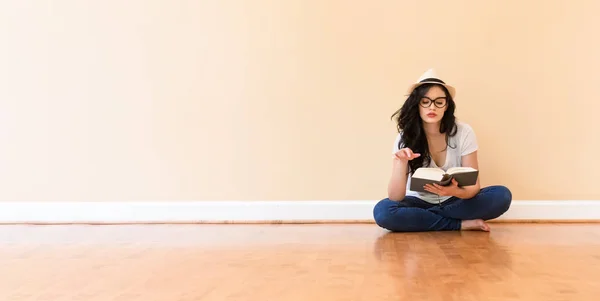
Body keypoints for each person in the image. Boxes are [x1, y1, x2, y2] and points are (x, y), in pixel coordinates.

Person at [373, 69, 512, 232]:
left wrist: (454, 191)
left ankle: (424, 218)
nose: (432, 107)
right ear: (416, 104)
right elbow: (395, 197)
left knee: (501, 195)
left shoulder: (463, 132)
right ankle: (457, 224)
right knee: (383, 211)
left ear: (446, 106)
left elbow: (473, 187)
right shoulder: (406, 137)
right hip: (418, 201)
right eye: (425, 101)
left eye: (439, 102)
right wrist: (401, 162)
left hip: (455, 201)